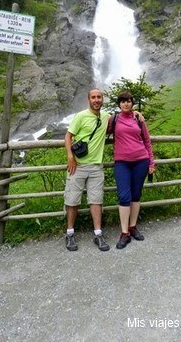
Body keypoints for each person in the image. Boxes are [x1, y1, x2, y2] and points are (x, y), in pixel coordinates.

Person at [107, 90, 155, 249]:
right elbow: (99, 129)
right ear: (119, 104)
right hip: (122, 163)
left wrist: (151, 163)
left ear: (132, 103)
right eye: (123, 101)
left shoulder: (139, 119)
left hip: (141, 160)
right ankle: (124, 232)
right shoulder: (113, 119)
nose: (126, 103)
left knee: (136, 195)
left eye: (128, 101)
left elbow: (147, 141)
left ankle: (133, 226)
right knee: (123, 196)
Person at [64, 88, 110, 252]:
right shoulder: (81, 116)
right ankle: (69, 233)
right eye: (93, 97)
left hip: (97, 166)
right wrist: (70, 157)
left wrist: (137, 115)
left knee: (96, 200)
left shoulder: (106, 117)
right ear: (88, 100)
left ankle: (98, 233)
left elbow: (121, 120)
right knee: (72, 199)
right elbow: (68, 136)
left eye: (99, 97)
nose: (96, 100)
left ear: (102, 100)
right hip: (78, 165)